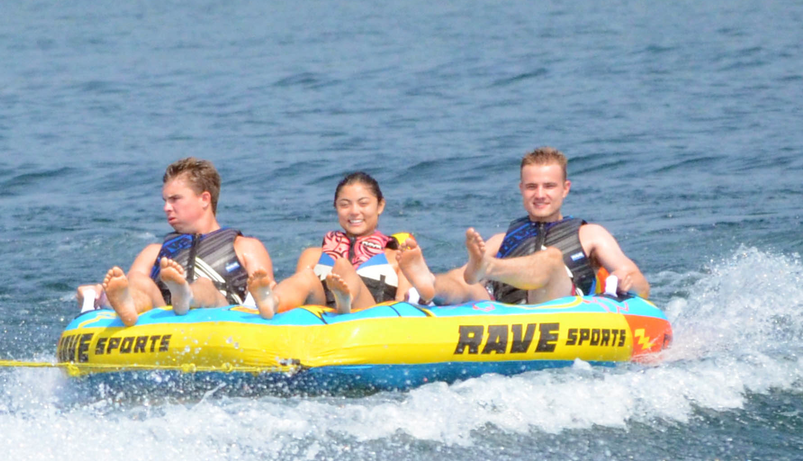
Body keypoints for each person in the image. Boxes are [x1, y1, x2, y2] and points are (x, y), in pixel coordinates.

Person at [435, 146, 650, 305]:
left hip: (561, 311)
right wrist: (446, 282)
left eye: (549, 186)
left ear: (565, 189)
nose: (539, 194)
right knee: (463, 282)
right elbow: (464, 277)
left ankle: (489, 268)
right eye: (531, 187)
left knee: (551, 259)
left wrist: (627, 279)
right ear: (521, 189)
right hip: (507, 314)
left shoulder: (591, 235)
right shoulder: (500, 241)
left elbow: (640, 283)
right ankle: (427, 285)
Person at [86, 157, 275, 327]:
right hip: (165, 323)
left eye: (175, 199)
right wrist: (100, 296)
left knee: (204, 285)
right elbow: (133, 285)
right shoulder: (153, 253)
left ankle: (186, 295)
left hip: (222, 319)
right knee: (137, 280)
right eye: (165, 200)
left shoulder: (245, 247)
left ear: (204, 199)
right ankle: (130, 308)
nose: (166, 208)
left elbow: (266, 294)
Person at [257, 171, 441, 314]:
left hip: (371, 318)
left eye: (363, 204)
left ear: (380, 206)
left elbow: (403, 306)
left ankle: (346, 301)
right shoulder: (313, 256)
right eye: (345, 205)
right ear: (336, 208)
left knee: (344, 267)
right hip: (322, 316)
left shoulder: (397, 258)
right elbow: (304, 295)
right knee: (305, 276)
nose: (354, 211)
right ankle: (272, 301)